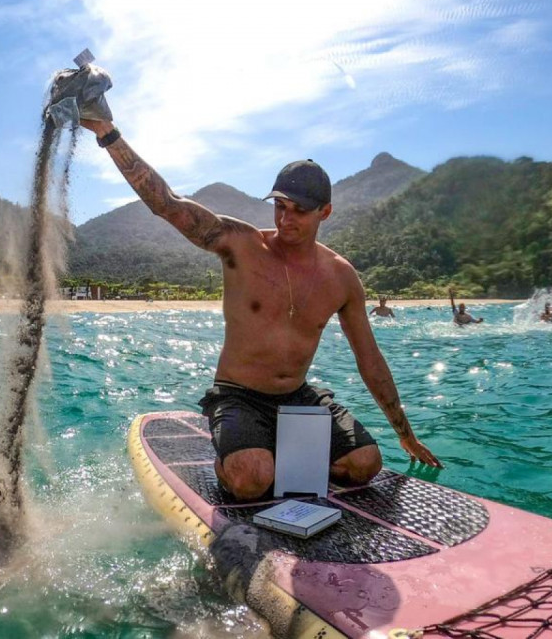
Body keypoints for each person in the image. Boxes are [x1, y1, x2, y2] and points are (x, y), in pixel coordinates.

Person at [80, 114, 441, 501]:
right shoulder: (243, 246)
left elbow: (369, 358)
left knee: (365, 463)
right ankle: (234, 452)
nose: (286, 219)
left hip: (298, 396)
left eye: (299, 210)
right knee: (252, 479)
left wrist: (405, 434)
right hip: (239, 395)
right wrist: (107, 132)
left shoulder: (341, 277)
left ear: (325, 212)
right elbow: (168, 205)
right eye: (280, 206)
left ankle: (275, 451)